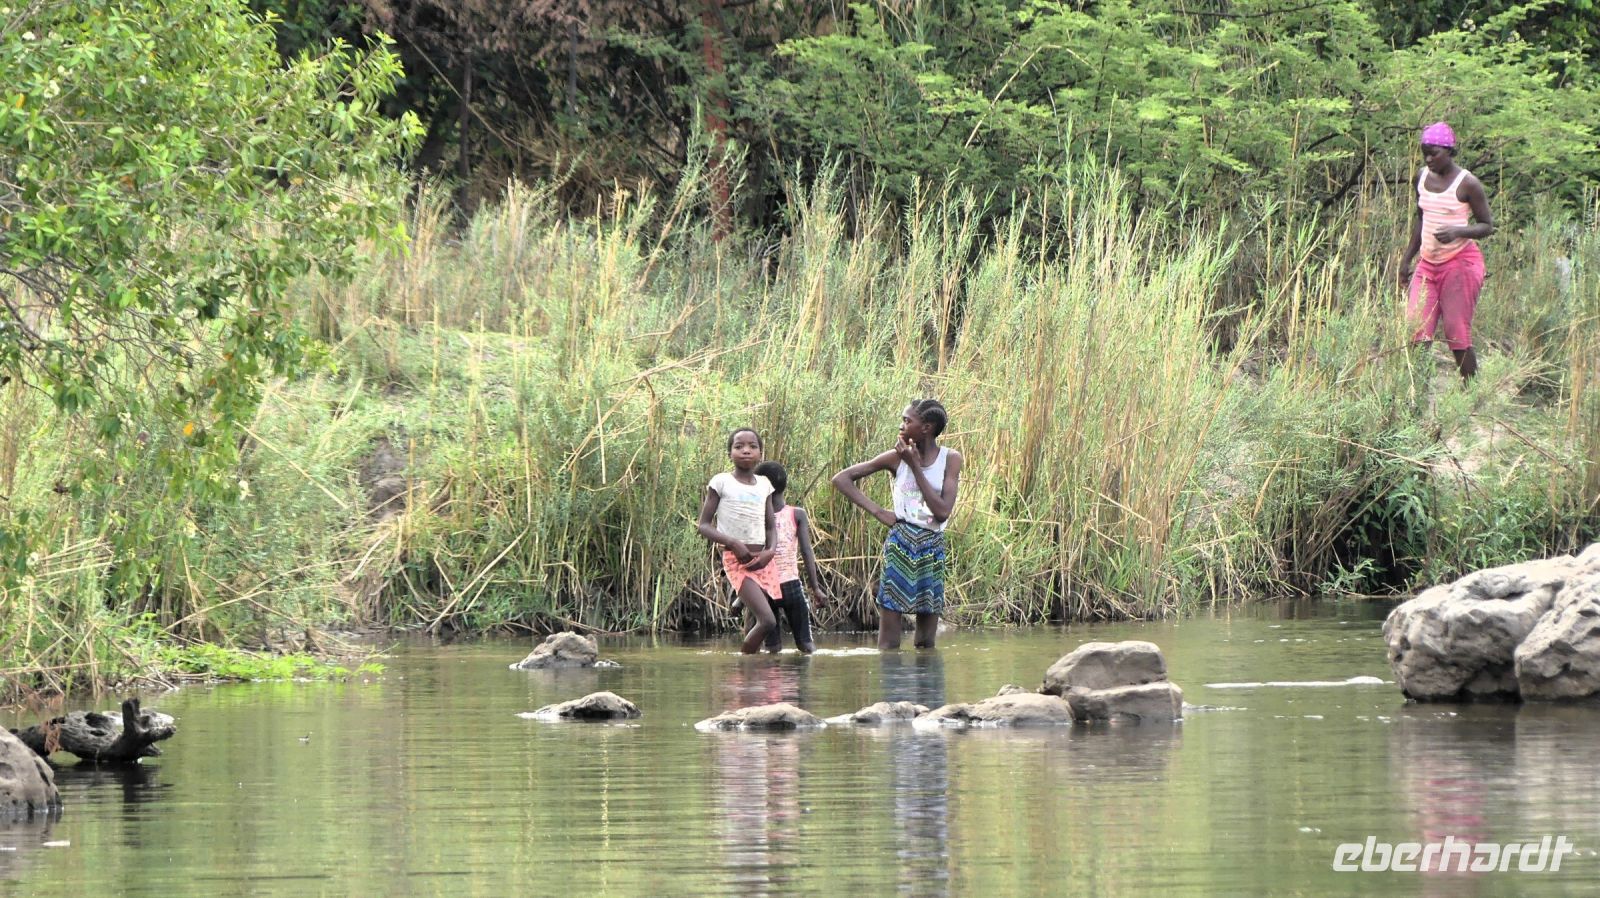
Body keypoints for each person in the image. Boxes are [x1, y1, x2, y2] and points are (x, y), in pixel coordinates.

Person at [831, 399, 962, 650]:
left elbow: (942, 511)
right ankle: (892, 684)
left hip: (932, 546)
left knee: (925, 639)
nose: (901, 425)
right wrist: (878, 511)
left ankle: (926, 686)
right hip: (901, 542)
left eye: (907, 421)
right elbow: (842, 479)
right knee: (890, 630)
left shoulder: (950, 459)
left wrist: (914, 465)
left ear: (926, 427)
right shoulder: (895, 458)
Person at [1399, 121, 1495, 381]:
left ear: (1450, 151)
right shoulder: (1421, 177)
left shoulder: (1468, 184)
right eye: (1424, 153)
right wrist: (1407, 259)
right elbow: (1421, 218)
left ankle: (1471, 395)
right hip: (1428, 264)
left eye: (1434, 153)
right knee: (1417, 331)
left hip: (1460, 263)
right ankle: (1416, 397)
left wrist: (1457, 231)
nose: (1429, 159)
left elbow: (1487, 226)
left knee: (1456, 332)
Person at [697, 428, 780, 653]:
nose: (746, 451)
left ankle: (752, 677)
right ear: (729, 453)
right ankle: (743, 662)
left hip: (761, 561)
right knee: (767, 621)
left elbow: (771, 526)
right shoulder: (722, 481)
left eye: (752, 447)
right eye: (739, 446)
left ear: (760, 454)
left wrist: (770, 551)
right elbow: (703, 525)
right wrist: (733, 543)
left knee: (754, 619)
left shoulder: (764, 484)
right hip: (737, 560)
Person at [752, 460, 830, 653]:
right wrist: (816, 589)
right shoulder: (797, 514)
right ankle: (804, 682)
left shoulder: (756, 518)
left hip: (765, 589)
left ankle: (772, 680)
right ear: (784, 484)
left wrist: (740, 599)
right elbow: (806, 552)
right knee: (806, 645)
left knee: (772, 648)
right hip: (791, 587)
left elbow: (750, 559)